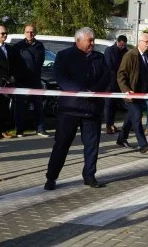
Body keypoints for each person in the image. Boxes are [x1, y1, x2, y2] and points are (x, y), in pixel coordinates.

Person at [44, 27, 109, 191]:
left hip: (92, 109)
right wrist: (80, 91)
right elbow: (61, 78)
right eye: (90, 41)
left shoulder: (99, 58)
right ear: (78, 41)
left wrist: (93, 92)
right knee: (61, 145)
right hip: (70, 109)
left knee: (92, 145)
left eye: (93, 40)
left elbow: (107, 77)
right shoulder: (65, 56)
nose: (92, 44)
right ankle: (51, 177)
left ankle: (89, 176)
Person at [116, 32, 148, 153]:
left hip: (144, 93)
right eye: (146, 42)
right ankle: (143, 144)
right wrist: (126, 90)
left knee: (131, 117)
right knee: (136, 117)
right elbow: (121, 74)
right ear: (139, 42)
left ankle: (121, 138)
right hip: (132, 93)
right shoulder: (130, 55)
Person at [13, 24, 46, 137]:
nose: (30, 34)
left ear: (35, 33)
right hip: (22, 80)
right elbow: (14, 63)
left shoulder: (40, 46)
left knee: (38, 104)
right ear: (24, 33)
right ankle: (19, 130)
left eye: (32, 32)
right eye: (27, 32)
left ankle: (40, 128)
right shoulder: (18, 46)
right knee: (20, 106)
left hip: (35, 79)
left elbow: (41, 61)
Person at [104, 35, 128, 135]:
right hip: (110, 82)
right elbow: (109, 65)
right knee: (108, 104)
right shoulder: (109, 50)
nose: (122, 47)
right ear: (117, 42)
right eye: (121, 45)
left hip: (119, 82)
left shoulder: (125, 51)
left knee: (115, 105)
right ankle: (108, 125)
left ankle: (112, 124)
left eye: (124, 45)